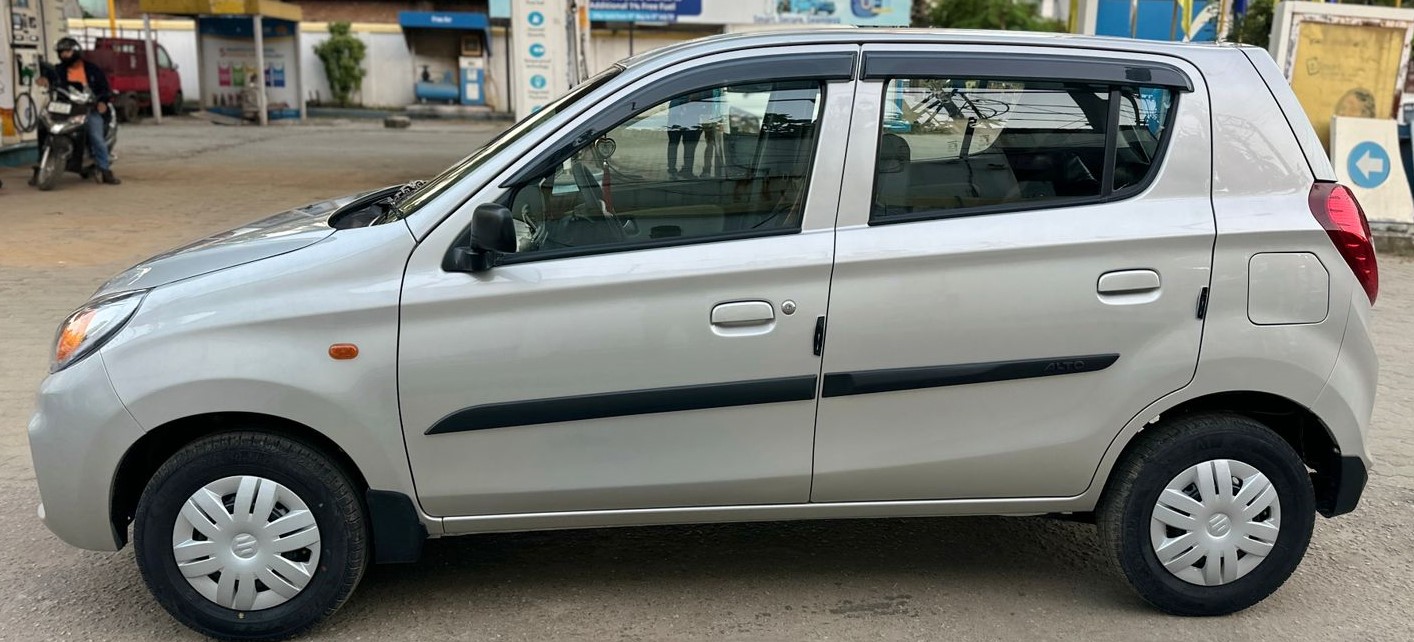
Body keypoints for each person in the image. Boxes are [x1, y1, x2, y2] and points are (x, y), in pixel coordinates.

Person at [33, 37, 120, 185]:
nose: (64, 55)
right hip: (64, 108)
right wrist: (42, 80)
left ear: (76, 51)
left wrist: (102, 102)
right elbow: (47, 80)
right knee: (43, 127)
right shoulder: (58, 70)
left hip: (87, 108)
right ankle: (39, 165)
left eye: (67, 51)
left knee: (95, 135)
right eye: (61, 52)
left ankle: (105, 170)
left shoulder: (92, 70)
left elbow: (104, 90)